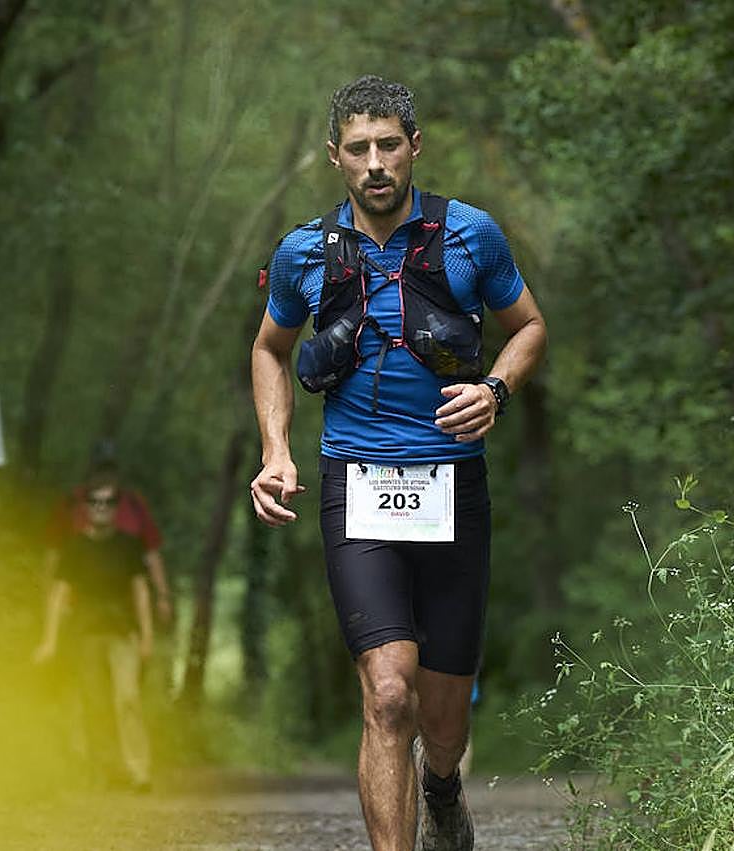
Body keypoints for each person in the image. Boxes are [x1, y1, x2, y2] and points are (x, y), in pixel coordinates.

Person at [250, 76, 547, 851]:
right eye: (359, 149)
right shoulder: (302, 253)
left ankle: (442, 791)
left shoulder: (470, 235)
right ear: (335, 158)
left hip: (453, 485)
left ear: (415, 147)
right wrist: (275, 450)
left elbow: (529, 327)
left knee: (443, 720)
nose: (375, 162)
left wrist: (495, 388)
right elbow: (270, 350)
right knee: (388, 696)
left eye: (389, 145)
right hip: (356, 483)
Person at [32, 479, 155, 791]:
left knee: (127, 699)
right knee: (93, 703)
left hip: (122, 633)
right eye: (96, 503)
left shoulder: (128, 545)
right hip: (85, 635)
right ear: (86, 508)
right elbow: (58, 595)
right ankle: (104, 771)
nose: (102, 508)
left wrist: (146, 635)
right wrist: (49, 641)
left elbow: (140, 590)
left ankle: (138, 770)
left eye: (109, 503)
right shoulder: (74, 547)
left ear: (116, 508)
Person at [43, 441, 173, 625]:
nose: (105, 475)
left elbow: (151, 553)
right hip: (78, 611)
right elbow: (54, 554)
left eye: (109, 469)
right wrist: (50, 597)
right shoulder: (71, 503)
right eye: (100, 469)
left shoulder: (133, 504)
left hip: (125, 613)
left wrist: (162, 596)